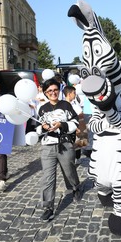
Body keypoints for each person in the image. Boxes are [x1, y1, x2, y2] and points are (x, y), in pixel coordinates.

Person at [36, 78, 82, 222]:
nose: (53, 92)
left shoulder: (66, 105)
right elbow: (36, 128)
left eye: (55, 90)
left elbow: (75, 122)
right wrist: (42, 127)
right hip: (48, 146)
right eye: (49, 91)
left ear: (59, 90)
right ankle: (48, 207)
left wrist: (61, 125)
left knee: (69, 171)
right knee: (48, 177)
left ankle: (75, 187)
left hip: (65, 144)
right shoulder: (42, 109)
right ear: (45, 93)